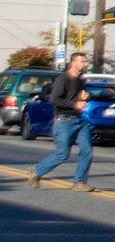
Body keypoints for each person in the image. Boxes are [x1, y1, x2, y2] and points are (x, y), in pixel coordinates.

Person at [30, 54, 94, 191]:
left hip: (79, 120)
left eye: (86, 62)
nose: (85, 64)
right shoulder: (63, 79)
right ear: (73, 63)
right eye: (83, 61)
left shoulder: (80, 80)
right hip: (64, 120)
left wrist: (86, 97)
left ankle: (80, 182)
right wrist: (74, 104)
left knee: (87, 150)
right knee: (63, 154)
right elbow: (54, 100)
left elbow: (81, 98)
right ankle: (36, 171)